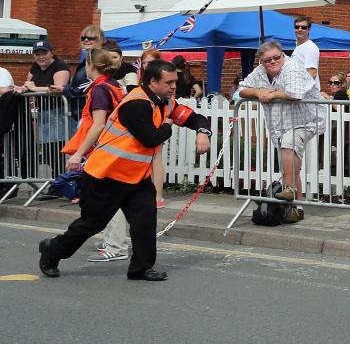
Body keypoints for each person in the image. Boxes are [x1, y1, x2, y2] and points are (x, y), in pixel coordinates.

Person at [38, 60, 212, 281]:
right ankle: (52, 251)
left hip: (136, 177)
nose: (173, 87)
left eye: (174, 82)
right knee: (91, 224)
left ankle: (141, 268)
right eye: (168, 82)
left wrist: (202, 131)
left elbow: (194, 118)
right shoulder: (136, 104)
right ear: (152, 81)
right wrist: (168, 124)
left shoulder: (165, 102)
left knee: (145, 220)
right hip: (106, 175)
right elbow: (151, 139)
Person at [239, 41, 322, 220]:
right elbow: (241, 90)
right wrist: (257, 92)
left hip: (306, 120)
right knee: (289, 166)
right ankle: (297, 208)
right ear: (261, 62)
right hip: (280, 124)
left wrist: (271, 94)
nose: (273, 61)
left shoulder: (292, 68)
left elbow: (294, 93)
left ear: (283, 55)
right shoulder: (260, 72)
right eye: (268, 60)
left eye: (277, 57)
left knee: (289, 145)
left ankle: (290, 190)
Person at [61, 49, 128, 261]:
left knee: (110, 199)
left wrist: (78, 153)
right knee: (114, 197)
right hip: (116, 147)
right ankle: (115, 241)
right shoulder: (114, 86)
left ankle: (116, 246)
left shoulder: (99, 90)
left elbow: (98, 124)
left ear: (91, 66)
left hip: (105, 149)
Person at [17, 39, 72, 161]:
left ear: (51, 53)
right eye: (37, 54)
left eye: (44, 53)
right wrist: (21, 88)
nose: (41, 57)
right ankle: (54, 178)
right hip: (43, 114)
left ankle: (61, 178)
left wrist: (34, 88)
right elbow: (28, 84)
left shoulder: (60, 66)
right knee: (47, 152)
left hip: (60, 113)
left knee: (59, 150)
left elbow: (58, 88)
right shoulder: (35, 67)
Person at [290, 15, 320, 82]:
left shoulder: (310, 47)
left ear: (309, 29)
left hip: (306, 91)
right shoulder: (299, 46)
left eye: (303, 27)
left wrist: (299, 89)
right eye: (297, 27)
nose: (300, 29)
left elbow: (312, 73)